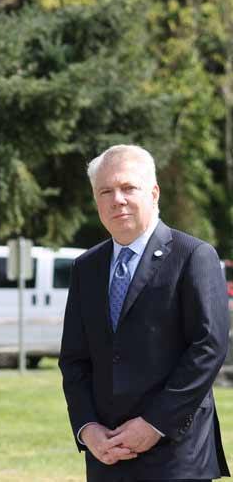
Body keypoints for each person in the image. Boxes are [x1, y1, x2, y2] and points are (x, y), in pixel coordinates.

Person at [59, 144, 230, 482]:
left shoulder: (193, 255)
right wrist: (87, 428)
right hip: (106, 455)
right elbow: (74, 360)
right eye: (105, 191)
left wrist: (154, 424)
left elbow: (208, 348)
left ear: (153, 193)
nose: (116, 199)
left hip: (176, 455)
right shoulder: (86, 267)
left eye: (127, 188)